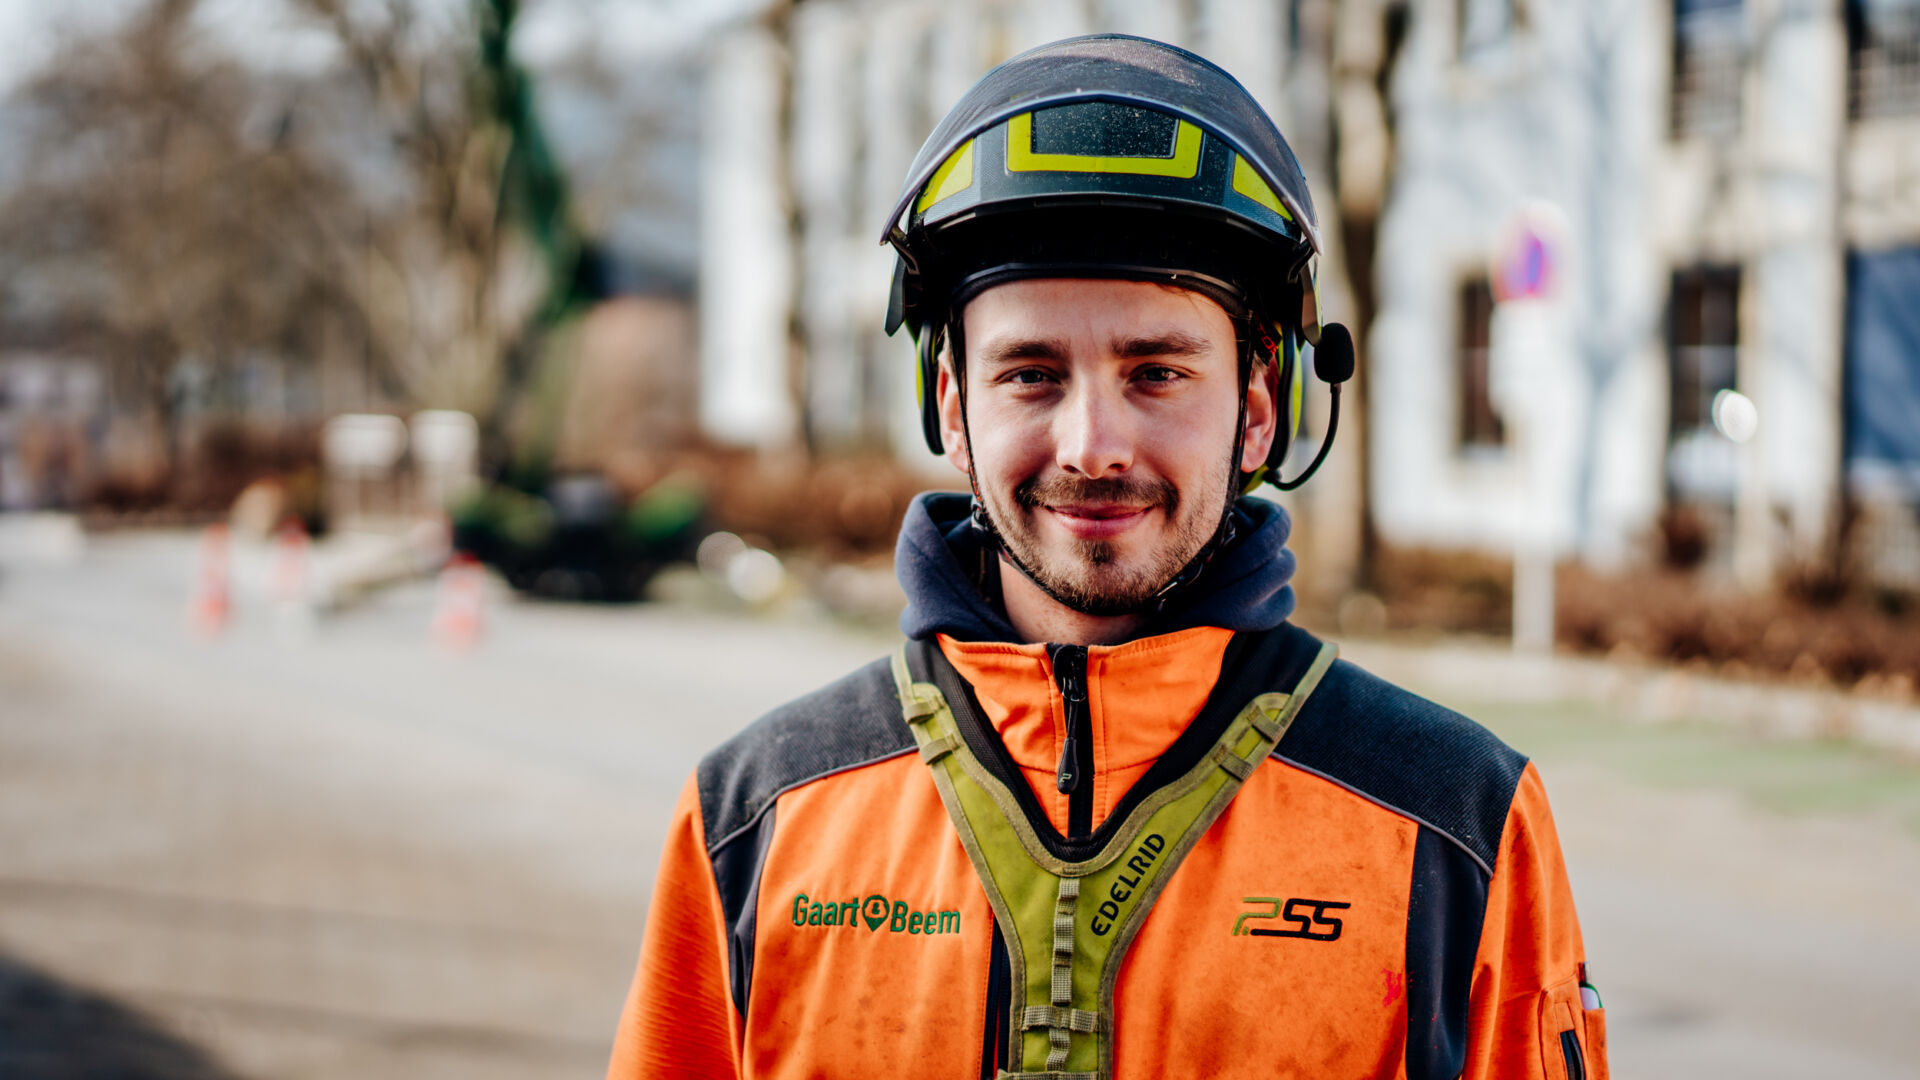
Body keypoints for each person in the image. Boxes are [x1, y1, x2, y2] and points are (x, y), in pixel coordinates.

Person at [607, 34, 1606, 1080]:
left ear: (1258, 413)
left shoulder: (1459, 824)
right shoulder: (754, 818)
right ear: (952, 407)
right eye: (1031, 374)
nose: (1092, 444)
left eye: (1158, 372)